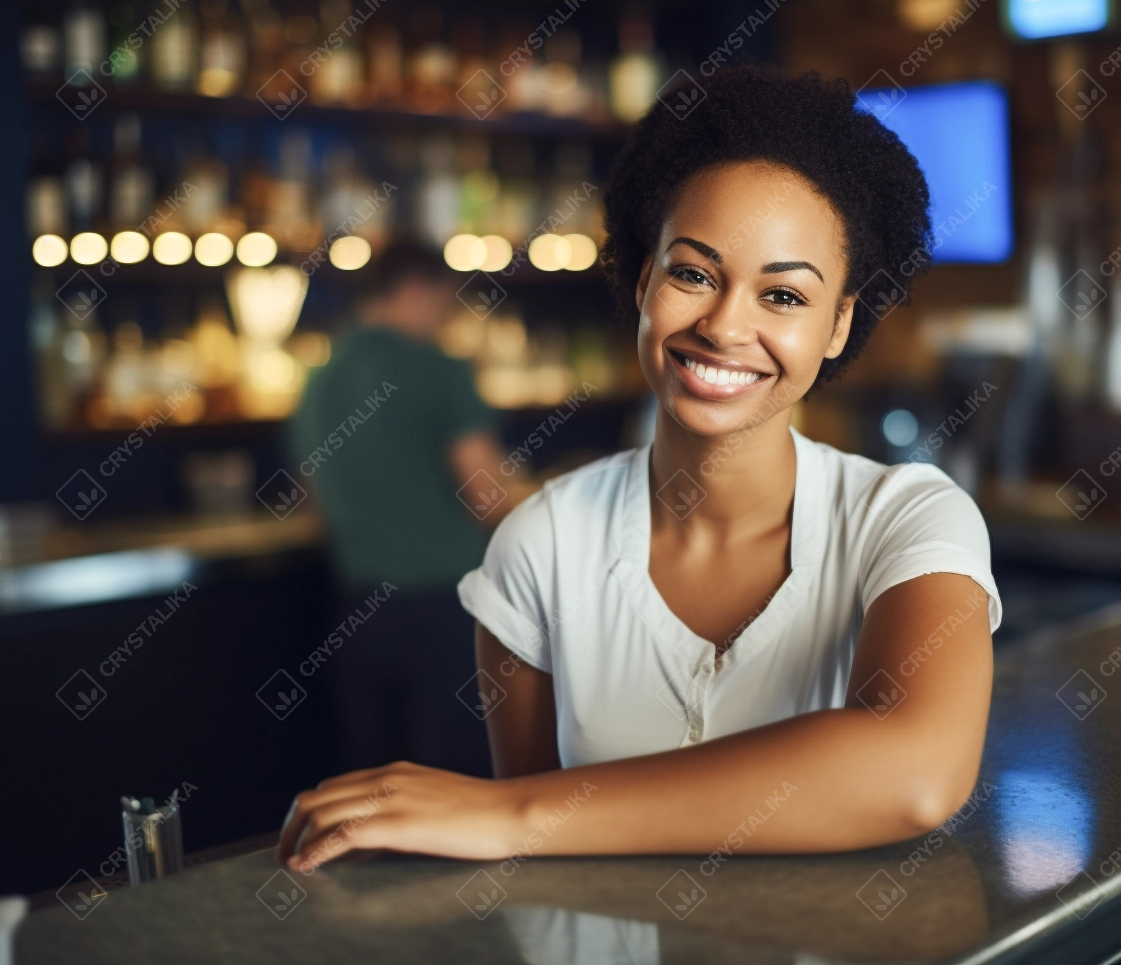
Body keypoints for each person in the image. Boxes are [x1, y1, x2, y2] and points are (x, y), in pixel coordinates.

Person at [278, 66, 1000, 869]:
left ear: (838, 326)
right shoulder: (540, 545)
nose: (726, 325)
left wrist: (510, 815)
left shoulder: (910, 520)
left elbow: (918, 773)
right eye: (693, 273)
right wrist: (519, 822)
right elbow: (548, 881)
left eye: (784, 297)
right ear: (642, 278)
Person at [288, 241, 529, 778]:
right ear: (417, 290)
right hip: (442, 611)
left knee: (373, 790)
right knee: (452, 785)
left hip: (354, 612)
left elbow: (316, 505)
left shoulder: (318, 378)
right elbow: (488, 496)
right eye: (444, 304)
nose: (444, 318)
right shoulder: (436, 368)